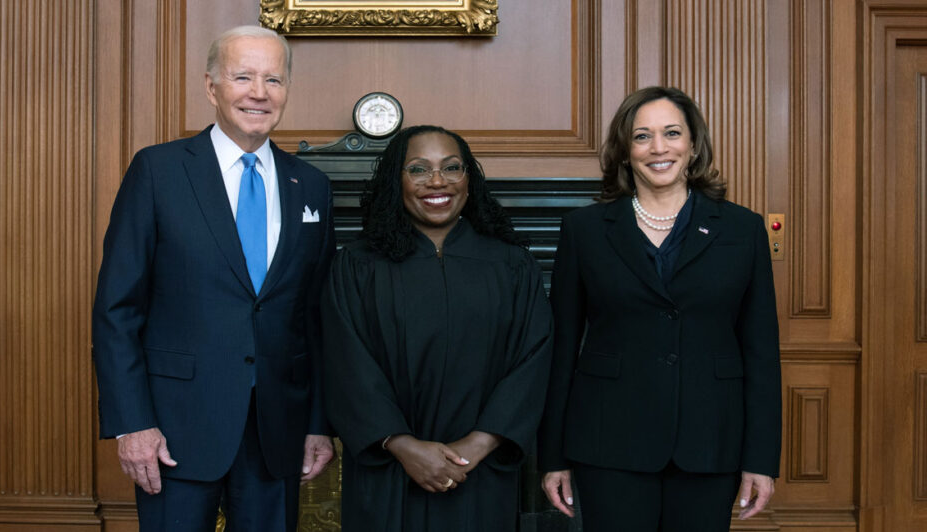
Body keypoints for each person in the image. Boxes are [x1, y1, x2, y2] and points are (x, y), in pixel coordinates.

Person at [92, 25, 336, 531]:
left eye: (274, 79)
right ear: (211, 88)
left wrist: (318, 424)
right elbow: (117, 310)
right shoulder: (158, 172)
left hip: (278, 429)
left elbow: (315, 316)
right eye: (242, 76)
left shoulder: (310, 184)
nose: (259, 93)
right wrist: (132, 423)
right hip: (176, 427)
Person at [537, 86, 782, 531]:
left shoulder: (743, 230)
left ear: (693, 145)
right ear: (625, 151)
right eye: (642, 136)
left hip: (711, 441)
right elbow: (561, 349)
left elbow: (762, 353)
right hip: (608, 440)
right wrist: (552, 456)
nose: (659, 148)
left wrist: (761, 460)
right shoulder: (585, 230)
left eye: (672, 133)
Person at [321, 125, 554, 531]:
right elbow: (346, 363)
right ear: (396, 181)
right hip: (389, 469)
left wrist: (478, 444)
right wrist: (401, 444)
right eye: (418, 169)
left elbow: (533, 360)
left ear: (469, 179)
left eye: (451, 168)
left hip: (481, 471)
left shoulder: (511, 265)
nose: (437, 181)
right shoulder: (359, 265)